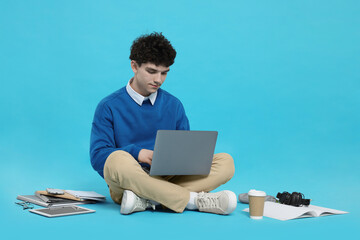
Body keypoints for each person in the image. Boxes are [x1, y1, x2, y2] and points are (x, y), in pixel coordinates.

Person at [90, 32, 237, 215]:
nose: (158, 79)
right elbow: (97, 157)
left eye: (164, 73)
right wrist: (138, 153)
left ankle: (146, 200)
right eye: (151, 71)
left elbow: (186, 153)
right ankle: (193, 200)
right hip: (130, 178)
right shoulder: (108, 106)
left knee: (226, 162)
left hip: (167, 177)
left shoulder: (173, 105)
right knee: (115, 160)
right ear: (134, 66)